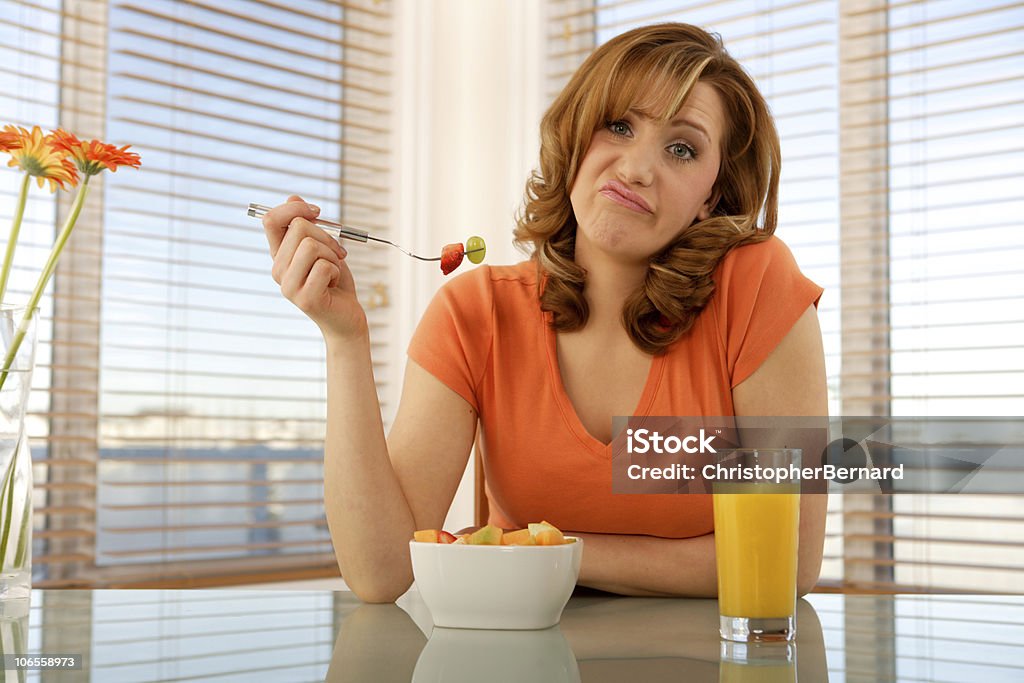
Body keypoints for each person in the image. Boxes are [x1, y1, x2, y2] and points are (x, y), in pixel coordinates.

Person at [261, 23, 827, 602]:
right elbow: (382, 572)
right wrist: (344, 337)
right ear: (578, 137)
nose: (636, 168)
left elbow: (786, 563)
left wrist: (539, 549)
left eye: (682, 148)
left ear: (711, 195)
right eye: (619, 125)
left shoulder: (757, 288)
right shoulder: (473, 312)